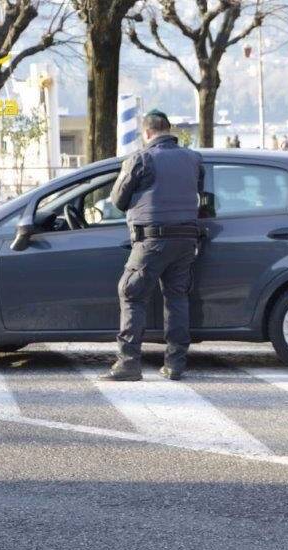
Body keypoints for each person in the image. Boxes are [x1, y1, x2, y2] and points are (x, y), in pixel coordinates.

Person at [101, 109, 204, 382]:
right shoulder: (193, 159)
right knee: (177, 299)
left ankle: (129, 363)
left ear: (146, 133)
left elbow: (118, 200)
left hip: (152, 240)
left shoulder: (141, 158)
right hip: (186, 240)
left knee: (132, 293)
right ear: (169, 129)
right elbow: (200, 195)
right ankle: (175, 364)